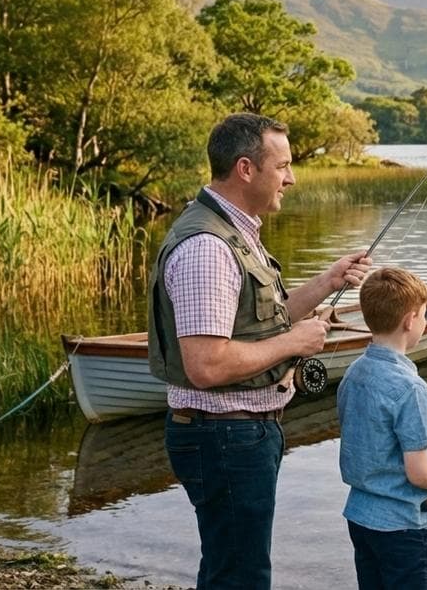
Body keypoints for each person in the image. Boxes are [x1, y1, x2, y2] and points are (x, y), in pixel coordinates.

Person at [148, 112, 372, 590]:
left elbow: (255, 325)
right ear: (246, 169)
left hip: (235, 436)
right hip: (224, 437)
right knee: (241, 576)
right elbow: (205, 365)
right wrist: (294, 343)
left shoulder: (233, 231)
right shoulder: (208, 247)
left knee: (231, 567)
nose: (291, 177)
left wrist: (327, 283)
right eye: (283, 165)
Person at [337, 267, 427, 590]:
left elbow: (371, 449)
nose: (425, 322)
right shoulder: (411, 388)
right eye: (425, 315)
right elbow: (418, 472)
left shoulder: (354, 374)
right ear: (410, 320)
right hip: (405, 529)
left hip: (361, 519)